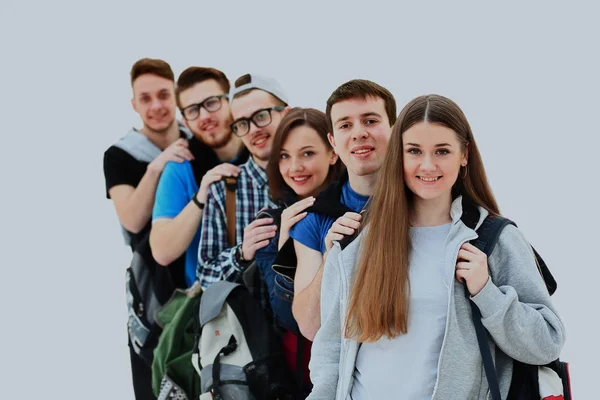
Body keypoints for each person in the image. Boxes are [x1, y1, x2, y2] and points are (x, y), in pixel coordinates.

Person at [307, 94, 566, 399]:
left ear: (464, 154)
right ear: (398, 156)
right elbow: (330, 354)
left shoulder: (493, 239)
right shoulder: (355, 242)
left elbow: (547, 342)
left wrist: (487, 293)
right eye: (414, 151)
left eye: (442, 151)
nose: (428, 165)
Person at [103, 58, 195, 400]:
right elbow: (132, 220)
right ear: (134, 104)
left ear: (175, 95)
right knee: (156, 380)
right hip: (153, 284)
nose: (156, 106)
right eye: (145, 98)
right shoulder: (120, 155)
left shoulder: (197, 137)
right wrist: (158, 166)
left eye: (163, 95)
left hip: (201, 272)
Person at [289, 80, 396, 340]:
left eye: (370, 121)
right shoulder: (313, 218)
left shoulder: (426, 202)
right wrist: (330, 258)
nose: (358, 133)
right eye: (345, 125)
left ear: (395, 130)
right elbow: (310, 326)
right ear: (333, 142)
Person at [254, 108, 344, 394]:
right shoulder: (269, 222)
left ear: (333, 153)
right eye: (284, 156)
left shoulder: (358, 208)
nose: (295, 167)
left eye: (307, 153)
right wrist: (284, 246)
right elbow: (287, 316)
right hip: (300, 375)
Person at [196, 73, 290, 314]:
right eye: (242, 123)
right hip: (254, 343)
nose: (253, 130)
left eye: (261, 116)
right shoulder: (224, 190)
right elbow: (205, 277)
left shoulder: (319, 176)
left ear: (287, 113)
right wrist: (241, 253)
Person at [149, 66, 249, 287]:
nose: (205, 116)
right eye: (193, 110)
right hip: (213, 306)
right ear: (184, 120)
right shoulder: (181, 167)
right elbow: (162, 251)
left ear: (231, 101)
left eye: (212, 102)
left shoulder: (261, 148)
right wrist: (201, 196)